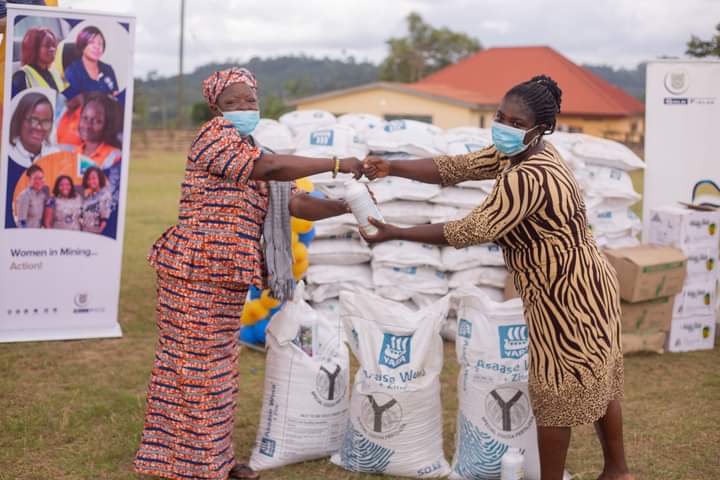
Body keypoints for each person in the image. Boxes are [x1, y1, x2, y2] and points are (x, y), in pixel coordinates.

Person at [361, 76, 634, 480]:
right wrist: (393, 166)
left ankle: (602, 472)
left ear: (541, 129)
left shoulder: (527, 176)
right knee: (595, 372)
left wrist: (395, 232)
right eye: (500, 117)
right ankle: (617, 470)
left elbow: (474, 229)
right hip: (582, 279)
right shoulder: (521, 154)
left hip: (566, 293)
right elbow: (457, 167)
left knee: (557, 390)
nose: (505, 127)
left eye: (516, 122)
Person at [133, 67, 363, 480]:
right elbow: (273, 170)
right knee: (192, 368)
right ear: (215, 107)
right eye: (231, 102)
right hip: (194, 269)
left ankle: (210, 463)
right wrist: (335, 162)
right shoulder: (215, 137)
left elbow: (297, 203)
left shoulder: (255, 148)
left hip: (227, 274)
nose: (242, 108)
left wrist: (349, 205)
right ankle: (195, 467)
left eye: (249, 100)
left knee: (217, 370)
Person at [62, 26, 119, 101]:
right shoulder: (72, 72)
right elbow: (72, 102)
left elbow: (116, 95)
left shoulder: (108, 69)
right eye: (91, 42)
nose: (97, 47)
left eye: (100, 43)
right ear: (82, 45)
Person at [8, 91, 59, 167]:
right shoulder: (7, 152)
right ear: (19, 119)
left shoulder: (55, 155)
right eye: (33, 120)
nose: (39, 127)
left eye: (46, 122)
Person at [74, 91, 122, 168]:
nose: (87, 126)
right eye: (85, 118)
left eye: (96, 121)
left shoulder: (115, 158)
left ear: (108, 125)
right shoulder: (75, 152)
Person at [11, 26, 64, 96]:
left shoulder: (55, 73)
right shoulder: (21, 77)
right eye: (47, 45)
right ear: (34, 48)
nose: (53, 49)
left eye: (54, 45)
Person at [79, 166, 111, 234]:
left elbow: (104, 220)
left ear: (99, 178)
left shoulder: (105, 195)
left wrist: (97, 235)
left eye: (94, 178)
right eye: (88, 179)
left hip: (96, 235)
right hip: (85, 233)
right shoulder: (89, 196)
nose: (91, 181)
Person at [16, 163, 48, 228]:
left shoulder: (42, 195)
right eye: (35, 178)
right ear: (30, 179)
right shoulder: (24, 196)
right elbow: (21, 222)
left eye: (41, 178)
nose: (39, 181)